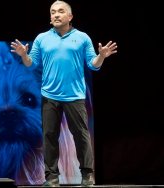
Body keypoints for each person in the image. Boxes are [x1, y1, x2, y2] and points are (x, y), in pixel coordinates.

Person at [10, 0, 117, 186]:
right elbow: (31, 64)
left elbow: (93, 65)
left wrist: (101, 56)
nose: (56, 15)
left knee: (81, 136)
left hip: (75, 96)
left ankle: (87, 175)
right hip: (49, 96)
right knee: (49, 136)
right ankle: (51, 178)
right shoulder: (42, 38)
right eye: (53, 12)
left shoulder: (82, 37)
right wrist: (23, 55)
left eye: (60, 11)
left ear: (70, 16)